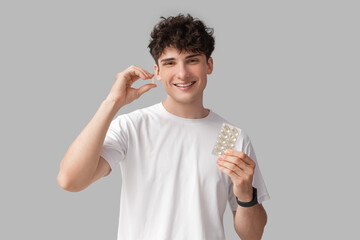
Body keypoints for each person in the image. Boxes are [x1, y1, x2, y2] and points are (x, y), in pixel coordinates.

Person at [58, 13, 270, 240]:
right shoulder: (133, 127)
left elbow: (253, 235)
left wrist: (246, 194)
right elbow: (70, 180)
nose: (182, 73)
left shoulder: (229, 137)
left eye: (192, 60)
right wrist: (112, 103)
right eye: (170, 63)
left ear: (209, 65)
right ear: (157, 71)